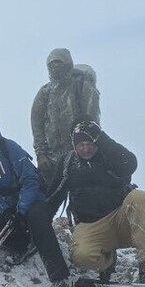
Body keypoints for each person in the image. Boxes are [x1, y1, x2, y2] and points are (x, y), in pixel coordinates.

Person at [0, 104, 70, 287]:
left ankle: (59, 276)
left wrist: (21, 208)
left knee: (37, 217)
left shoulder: (8, 147)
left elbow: (30, 179)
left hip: (30, 198)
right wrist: (2, 208)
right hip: (5, 204)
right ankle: (23, 244)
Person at [47, 116, 145, 285]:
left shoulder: (110, 155)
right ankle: (107, 261)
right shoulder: (67, 163)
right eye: (80, 145)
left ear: (97, 141)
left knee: (140, 197)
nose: (86, 149)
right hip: (91, 225)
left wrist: (101, 137)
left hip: (121, 220)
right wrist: (37, 220)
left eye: (90, 143)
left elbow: (130, 164)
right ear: (74, 145)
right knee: (81, 257)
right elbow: (53, 196)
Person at [31, 48, 100, 186]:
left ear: (68, 65)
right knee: (45, 199)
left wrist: (87, 151)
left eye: (59, 64)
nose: (55, 68)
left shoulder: (82, 87)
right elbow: (36, 124)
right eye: (51, 65)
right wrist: (41, 154)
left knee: (83, 196)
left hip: (79, 156)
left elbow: (91, 123)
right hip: (51, 161)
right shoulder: (45, 92)